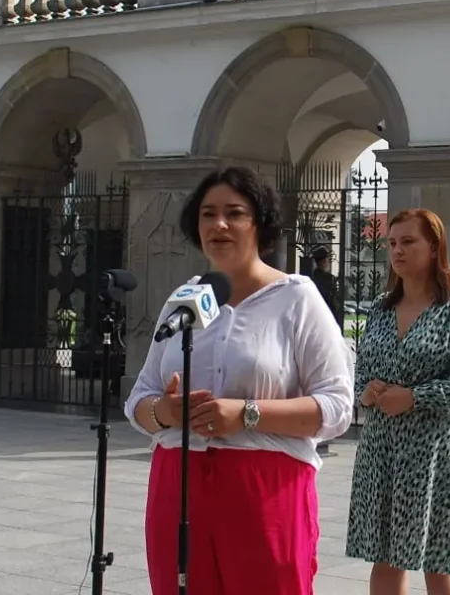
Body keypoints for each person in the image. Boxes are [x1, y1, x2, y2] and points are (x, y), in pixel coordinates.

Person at [124, 166, 355, 595]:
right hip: (178, 484)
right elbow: (139, 399)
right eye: (208, 214)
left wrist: (247, 414)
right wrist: (165, 411)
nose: (219, 224)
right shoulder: (184, 299)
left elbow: (338, 407)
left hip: (265, 489)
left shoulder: (296, 298)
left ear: (260, 223)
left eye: (234, 213)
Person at [346, 208, 450, 595]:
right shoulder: (380, 308)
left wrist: (414, 397)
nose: (397, 251)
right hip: (380, 451)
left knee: (439, 562)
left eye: (408, 242)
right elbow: (362, 369)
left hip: (432, 454)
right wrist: (366, 391)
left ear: (434, 247)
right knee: (385, 560)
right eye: (392, 243)